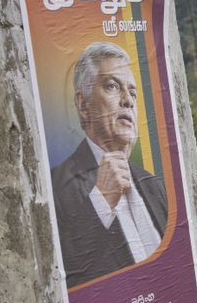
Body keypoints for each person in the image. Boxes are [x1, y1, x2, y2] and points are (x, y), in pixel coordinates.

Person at [51, 42, 168, 288]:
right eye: (112, 86)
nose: (128, 101)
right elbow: (67, 275)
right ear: (83, 105)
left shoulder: (154, 185)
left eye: (133, 93)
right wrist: (101, 202)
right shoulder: (55, 186)